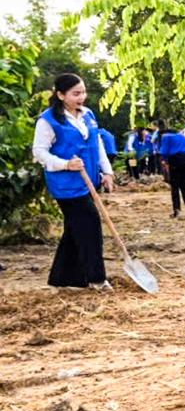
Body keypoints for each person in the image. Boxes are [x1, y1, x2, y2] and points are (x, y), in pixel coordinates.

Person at [31, 74, 115, 290]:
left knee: (74, 230)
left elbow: (97, 144)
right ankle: (96, 279)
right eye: (76, 94)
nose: (82, 97)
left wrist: (107, 171)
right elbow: (39, 153)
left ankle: (63, 278)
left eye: (83, 92)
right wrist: (65, 164)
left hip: (88, 180)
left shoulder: (88, 115)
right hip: (65, 184)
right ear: (60, 95)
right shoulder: (48, 120)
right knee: (90, 225)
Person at [157, 125, 185, 216]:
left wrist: (164, 161)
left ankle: (177, 210)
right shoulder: (182, 136)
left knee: (174, 185)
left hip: (175, 159)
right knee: (184, 184)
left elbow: (164, 151)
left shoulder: (166, 137)